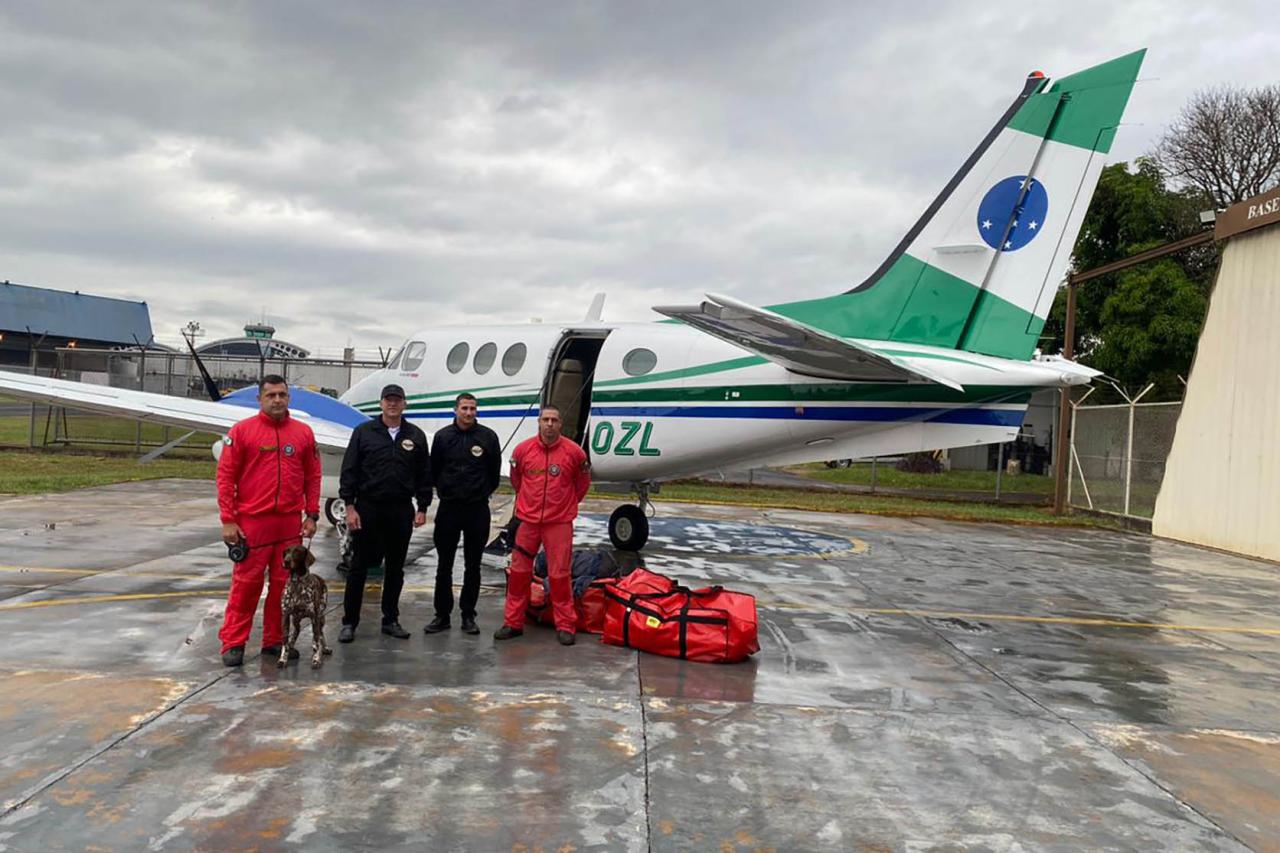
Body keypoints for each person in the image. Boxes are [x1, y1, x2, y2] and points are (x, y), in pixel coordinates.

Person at [216, 375, 321, 667]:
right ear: (260, 399)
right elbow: (225, 477)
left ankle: (275, 640)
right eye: (271, 395)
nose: (277, 400)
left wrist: (311, 514)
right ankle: (233, 642)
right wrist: (228, 519)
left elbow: (312, 475)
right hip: (253, 523)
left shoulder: (303, 433)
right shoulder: (242, 431)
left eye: (282, 395)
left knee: (284, 585)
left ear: (289, 398)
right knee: (246, 584)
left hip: (289, 523)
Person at [338, 383, 432, 642]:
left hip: (400, 509)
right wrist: (349, 505)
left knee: (395, 569)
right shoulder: (364, 432)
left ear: (404, 404)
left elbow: (424, 474)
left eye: (397, 400)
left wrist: (422, 507)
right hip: (368, 508)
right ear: (381, 403)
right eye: (388, 400)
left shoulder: (415, 435)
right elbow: (350, 470)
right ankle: (349, 622)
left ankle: (390, 619)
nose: (393, 404)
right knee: (359, 567)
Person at [495, 405, 591, 646]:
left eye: (554, 420)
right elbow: (518, 482)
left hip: (558, 523)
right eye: (545, 419)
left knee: (559, 575)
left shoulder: (574, 453)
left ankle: (565, 625)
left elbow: (582, 484)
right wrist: (530, 506)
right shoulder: (523, 450)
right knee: (518, 574)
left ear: (560, 424)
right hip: (528, 522)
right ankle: (513, 623)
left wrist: (565, 506)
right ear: (538, 422)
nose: (549, 424)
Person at [423, 393, 501, 636]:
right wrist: (448, 490)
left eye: (473, 409)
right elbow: (433, 471)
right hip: (449, 509)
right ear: (455, 410)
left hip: (477, 510)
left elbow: (495, 474)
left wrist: (479, 492)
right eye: (465, 408)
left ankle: (468, 615)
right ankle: (442, 615)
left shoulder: (488, 437)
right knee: (443, 565)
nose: (469, 413)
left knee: (473, 565)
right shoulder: (442, 437)